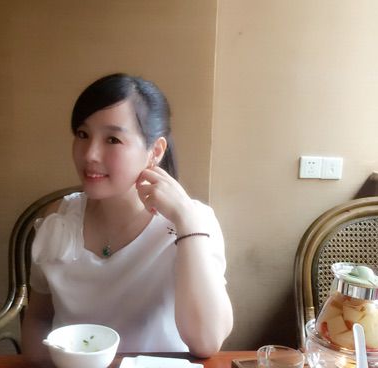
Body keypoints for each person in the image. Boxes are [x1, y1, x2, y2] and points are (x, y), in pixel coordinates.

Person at [21, 73, 233, 361]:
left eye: (113, 139)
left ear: (155, 151)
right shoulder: (59, 219)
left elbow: (206, 342)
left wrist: (187, 223)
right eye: (82, 134)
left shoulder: (193, 222)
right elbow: (39, 319)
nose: (90, 154)